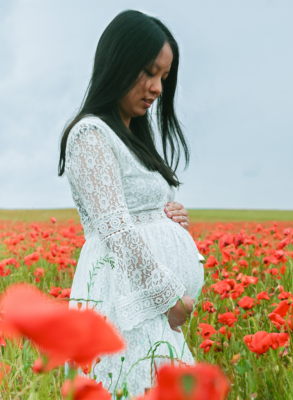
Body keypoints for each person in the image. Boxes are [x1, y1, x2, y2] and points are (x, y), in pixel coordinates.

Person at [57, 9, 205, 397]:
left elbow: (138, 213)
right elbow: (117, 230)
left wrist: (172, 218)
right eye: (149, 72)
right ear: (118, 63)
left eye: (164, 77)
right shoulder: (90, 135)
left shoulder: (132, 137)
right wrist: (171, 299)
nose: (157, 88)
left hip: (149, 306)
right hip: (126, 303)